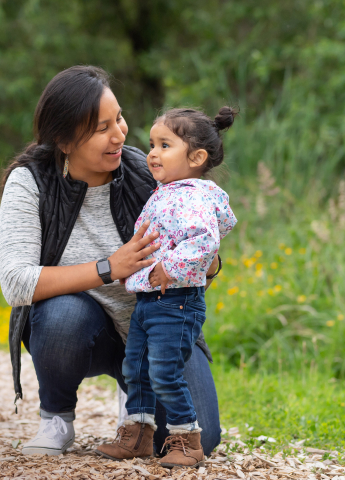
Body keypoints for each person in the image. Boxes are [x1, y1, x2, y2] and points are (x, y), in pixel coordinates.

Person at [0, 66, 222, 457]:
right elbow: (16, 282)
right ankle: (56, 419)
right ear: (64, 140)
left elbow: (203, 262)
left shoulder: (148, 171)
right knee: (63, 314)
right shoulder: (30, 182)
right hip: (82, 328)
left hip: (158, 326)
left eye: (118, 118)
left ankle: (133, 399)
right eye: (102, 128)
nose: (119, 134)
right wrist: (109, 268)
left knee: (202, 437)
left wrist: (206, 261)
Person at [96, 107, 237, 467]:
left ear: (196, 157)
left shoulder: (194, 196)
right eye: (152, 144)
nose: (152, 153)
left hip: (176, 302)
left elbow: (204, 242)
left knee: (164, 370)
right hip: (149, 301)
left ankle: (186, 438)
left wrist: (169, 267)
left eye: (164, 145)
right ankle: (138, 434)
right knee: (136, 368)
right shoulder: (168, 191)